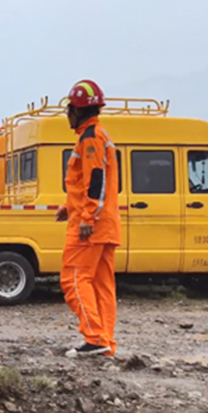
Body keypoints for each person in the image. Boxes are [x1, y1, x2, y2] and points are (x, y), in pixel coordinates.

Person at [55, 79, 122, 357]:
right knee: (100, 284)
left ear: (79, 110)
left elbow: (96, 181)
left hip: (91, 227)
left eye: (70, 108)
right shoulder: (96, 135)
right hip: (104, 224)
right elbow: (90, 182)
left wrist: (86, 217)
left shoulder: (90, 137)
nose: (68, 114)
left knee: (73, 278)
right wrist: (69, 206)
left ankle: (94, 337)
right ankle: (104, 340)